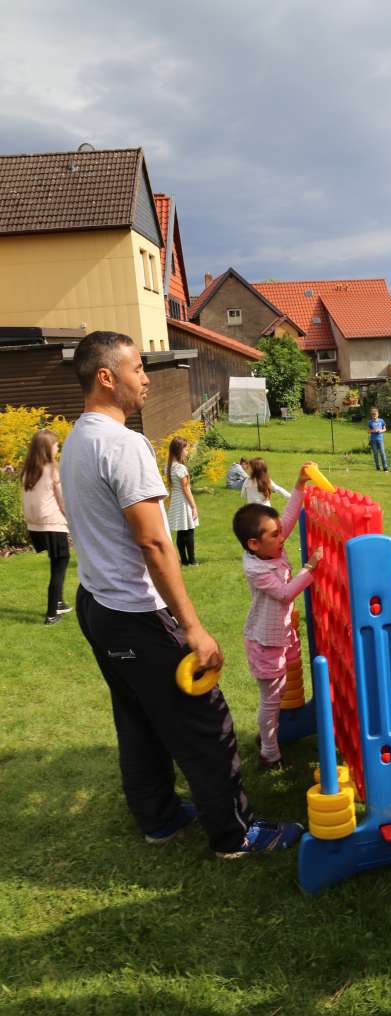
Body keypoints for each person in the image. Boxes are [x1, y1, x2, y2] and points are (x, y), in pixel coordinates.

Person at [60, 330, 303, 858]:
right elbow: (153, 541)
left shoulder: (77, 437)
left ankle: (159, 817)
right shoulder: (122, 444)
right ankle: (236, 833)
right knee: (206, 719)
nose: (146, 378)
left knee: (138, 714)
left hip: (96, 606)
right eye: (137, 369)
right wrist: (192, 627)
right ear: (107, 377)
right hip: (134, 611)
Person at [233, 469, 323, 769]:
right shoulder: (258, 571)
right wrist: (310, 569)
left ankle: (272, 733)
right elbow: (285, 594)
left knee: (279, 693)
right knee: (271, 701)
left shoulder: (270, 548)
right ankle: (269, 753)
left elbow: (287, 519)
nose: (282, 536)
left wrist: (298, 485)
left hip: (282, 636)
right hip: (266, 643)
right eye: (274, 535)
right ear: (254, 544)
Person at [21, 429, 72, 625]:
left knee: (56, 563)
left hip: (36, 527)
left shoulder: (28, 471)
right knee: (59, 566)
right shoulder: (52, 469)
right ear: (47, 448)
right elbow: (61, 500)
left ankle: (59, 602)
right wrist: (72, 518)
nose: (58, 447)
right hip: (53, 525)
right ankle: (52, 613)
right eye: (56, 444)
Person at [166, 437, 198, 567]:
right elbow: (186, 488)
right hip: (183, 502)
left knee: (181, 531)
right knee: (189, 530)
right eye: (186, 448)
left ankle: (184, 560)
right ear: (179, 450)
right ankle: (192, 560)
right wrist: (194, 506)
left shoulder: (169, 467)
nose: (187, 451)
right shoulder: (180, 468)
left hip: (176, 500)